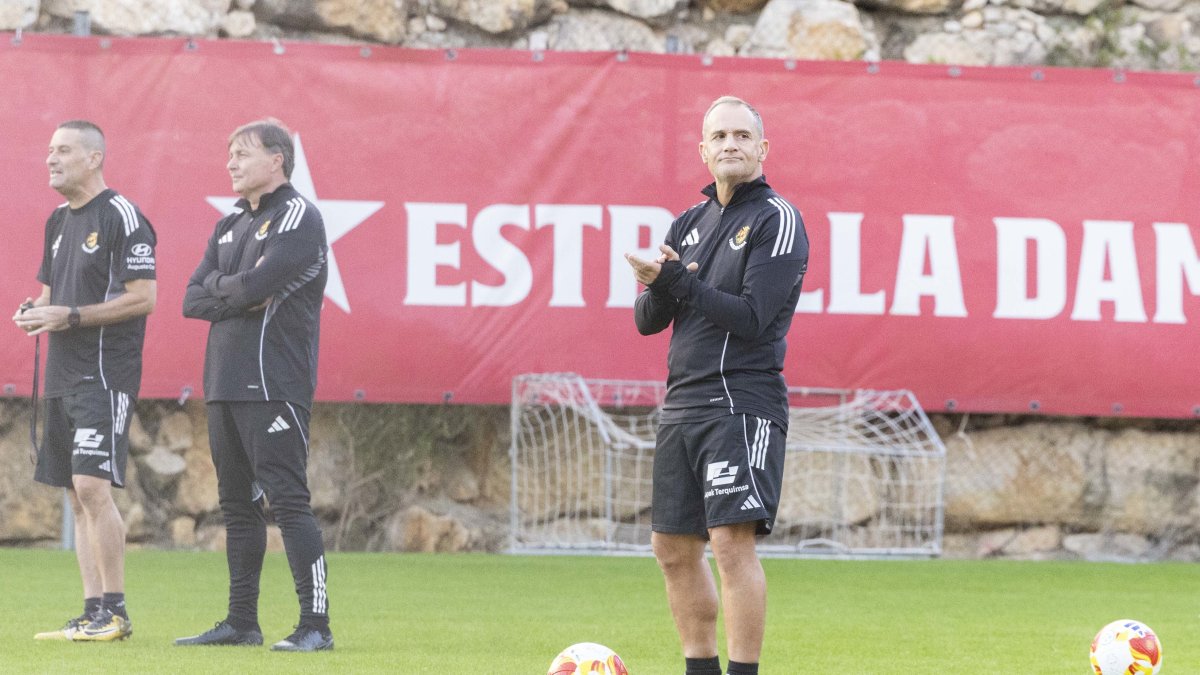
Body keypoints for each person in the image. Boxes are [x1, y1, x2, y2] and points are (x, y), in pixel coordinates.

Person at [625, 96, 808, 675]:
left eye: (742, 135)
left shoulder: (777, 219)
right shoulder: (688, 223)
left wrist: (677, 281)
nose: (731, 144)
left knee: (730, 543)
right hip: (682, 406)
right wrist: (661, 283)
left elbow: (753, 318)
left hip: (739, 404)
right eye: (720, 136)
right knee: (672, 549)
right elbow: (646, 320)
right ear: (703, 151)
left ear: (762, 148)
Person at [177, 119, 333, 652]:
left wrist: (228, 288)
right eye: (229, 154)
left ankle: (316, 625)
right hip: (223, 384)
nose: (231, 163)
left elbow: (258, 288)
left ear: (277, 160)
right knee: (237, 507)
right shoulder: (228, 224)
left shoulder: (298, 217)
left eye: (242, 153)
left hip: (273, 384)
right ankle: (242, 622)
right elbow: (191, 299)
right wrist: (235, 288)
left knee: (288, 503)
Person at [14, 120, 157, 642]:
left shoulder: (123, 216)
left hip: (103, 374)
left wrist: (70, 316)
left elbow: (144, 298)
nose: (51, 159)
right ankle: (93, 611)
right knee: (76, 495)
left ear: (94, 158)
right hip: (61, 375)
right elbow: (50, 295)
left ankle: (116, 613)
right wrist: (35, 311)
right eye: (49, 150)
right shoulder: (57, 220)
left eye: (64, 150)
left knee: (93, 487)